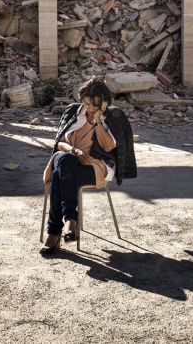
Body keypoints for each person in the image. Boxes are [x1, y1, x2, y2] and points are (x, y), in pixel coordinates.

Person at [40, 76, 128, 255]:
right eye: (86, 103)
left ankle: (54, 232)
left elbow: (109, 146)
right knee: (65, 160)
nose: (88, 108)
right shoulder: (74, 112)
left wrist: (97, 121)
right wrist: (74, 151)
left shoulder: (111, 118)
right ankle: (70, 220)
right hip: (70, 160)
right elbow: (60, 144)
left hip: (94, 167)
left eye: (93, 105)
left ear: (103, 103)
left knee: (59, 175)